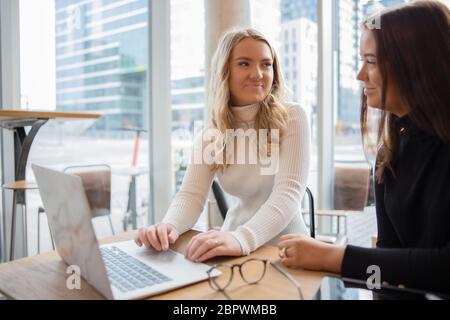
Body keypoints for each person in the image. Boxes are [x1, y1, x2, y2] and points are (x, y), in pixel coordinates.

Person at [277, 0, 450, 294]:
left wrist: (334, 257)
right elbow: (389, 256)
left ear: (414, 63)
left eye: (370, 61)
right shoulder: (389, 156)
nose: (360, 75)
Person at [135, 28, 311, 263]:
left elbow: (288, 194)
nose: (258, 73)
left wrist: (242, 239)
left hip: (284, 250)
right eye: (244, 63)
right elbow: (191, 195)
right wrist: (168, 227)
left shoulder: (293, 117)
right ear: (225, 70)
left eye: (266, 64)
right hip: (233, 245)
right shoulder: (211, 134)